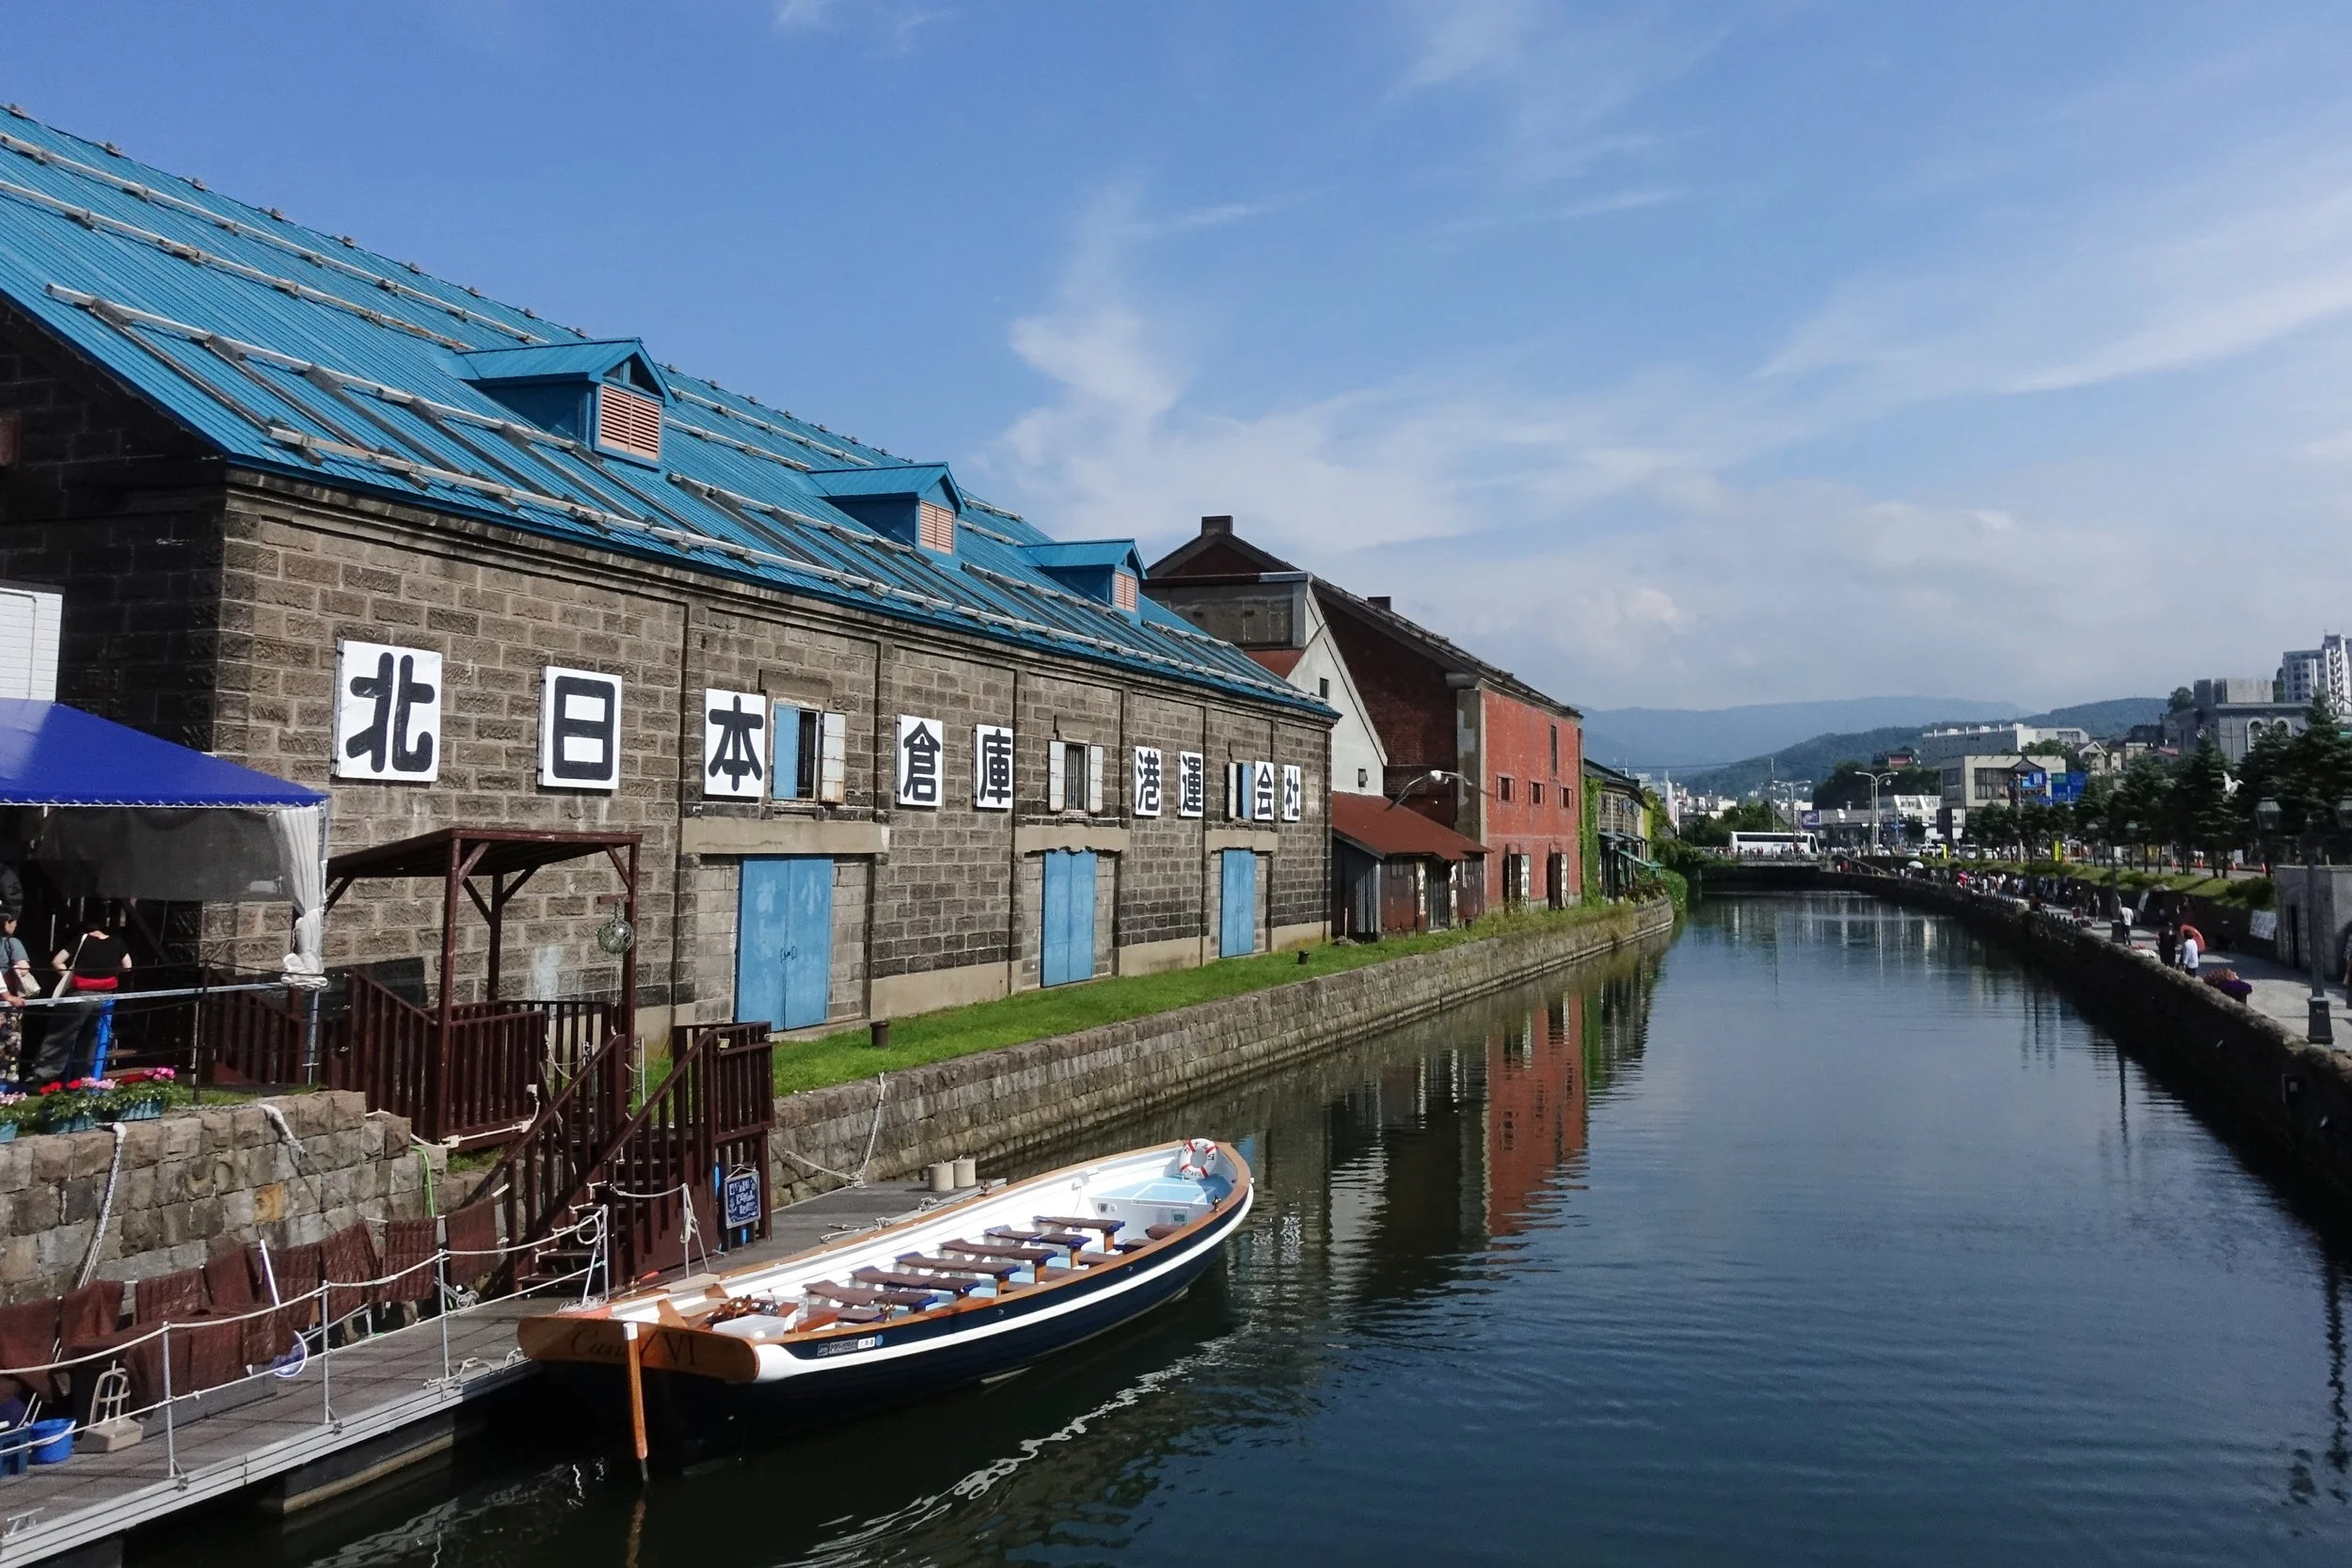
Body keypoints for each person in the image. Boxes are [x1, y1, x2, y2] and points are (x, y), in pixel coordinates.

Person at [27, 909, 130, 1085]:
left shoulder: (81, 940)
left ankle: (42, 1076)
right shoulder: (117, 942)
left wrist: (68, 976)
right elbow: (127, 966)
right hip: (105, 997)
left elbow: (56, 961)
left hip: (80, 995)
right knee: (91, 1037)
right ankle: (83, 1078)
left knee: (61, 1035)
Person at [0, 913, 30, 1085]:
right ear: (6, 923)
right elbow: (23, 969)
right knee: (9, 1045)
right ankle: (6, 1087)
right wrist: (9, 996)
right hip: (7, 1003)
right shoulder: (12, 943)